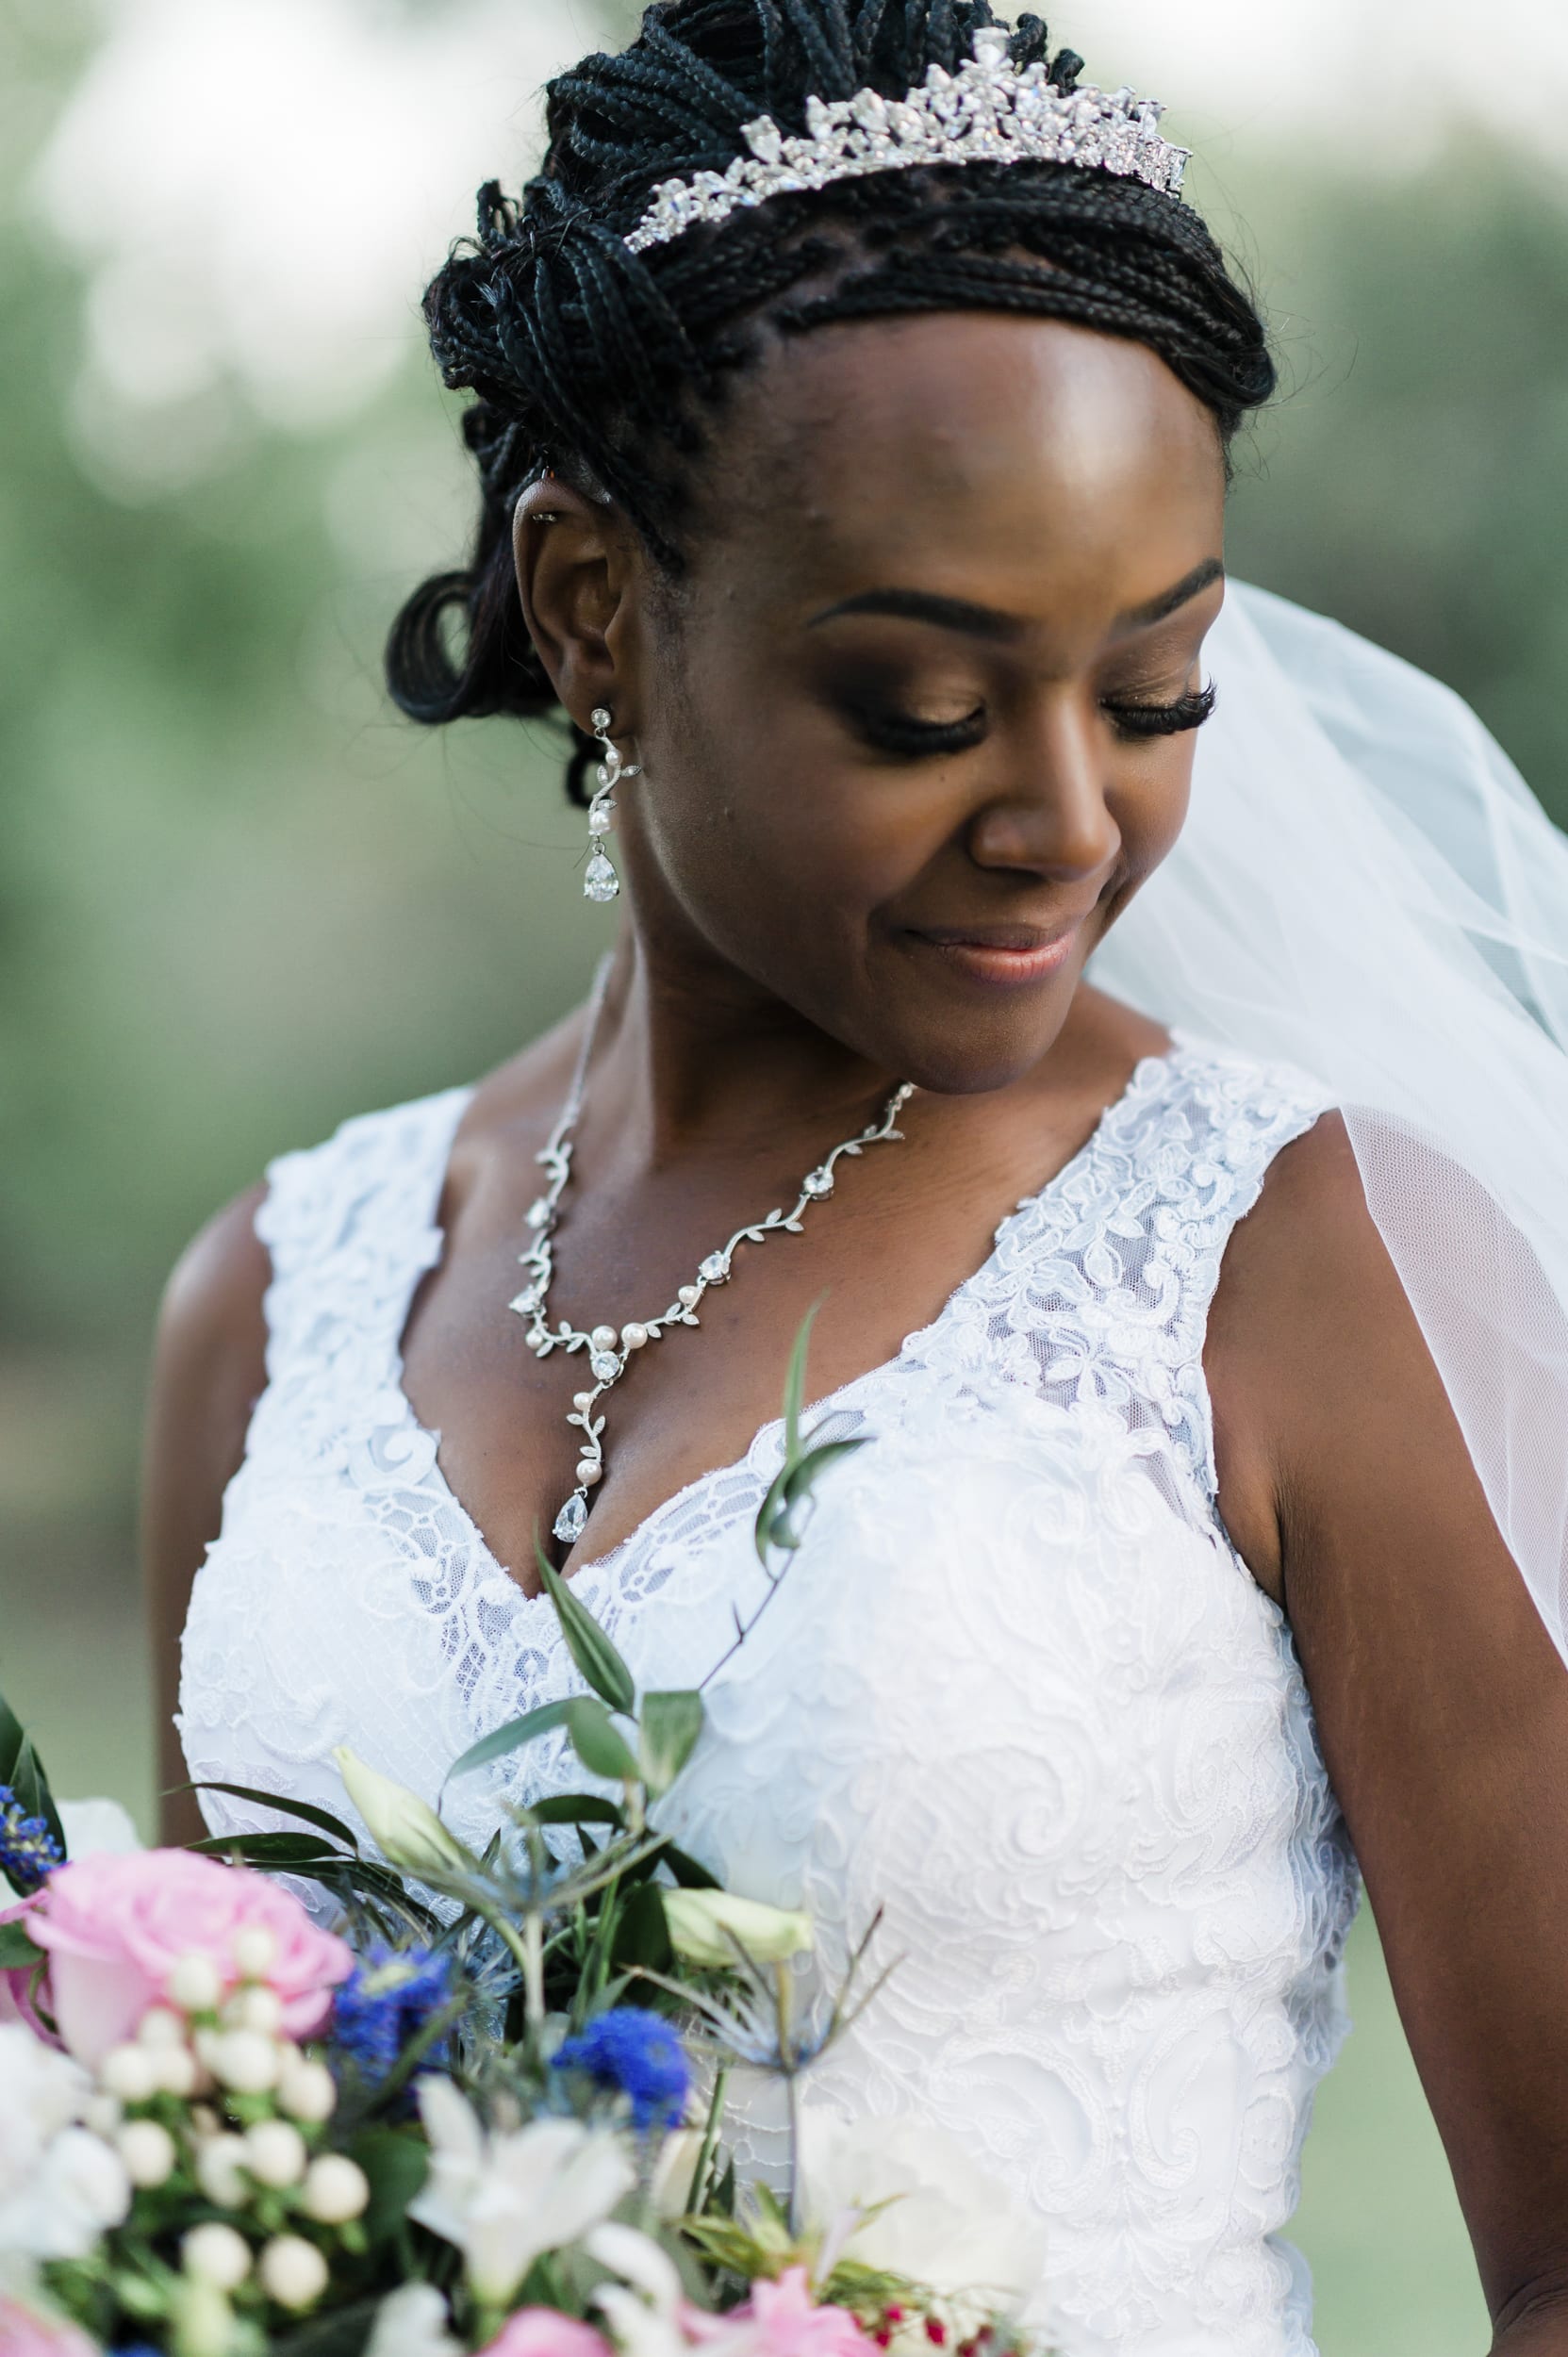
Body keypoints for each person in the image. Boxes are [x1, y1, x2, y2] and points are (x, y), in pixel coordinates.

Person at [142, 5, 1568, 2349]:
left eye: (1154, 691)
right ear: (594, 603)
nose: (1069, 818)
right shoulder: (279, 1295)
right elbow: (209, 2165)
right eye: (923, 706)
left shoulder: (1298, 1267)